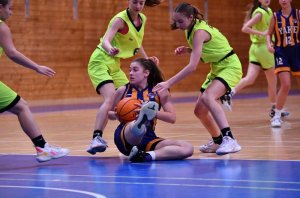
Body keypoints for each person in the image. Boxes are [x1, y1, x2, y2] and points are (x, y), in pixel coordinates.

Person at [153, 2, 243, 155]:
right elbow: (211, 48)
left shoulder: (199, 31)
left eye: (181, 21)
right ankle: (218, 141)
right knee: (200, 111)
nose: (178, 24)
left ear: (191, 17)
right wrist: (189, 50)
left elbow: (192, 67)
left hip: (230, 66)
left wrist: (168, 83)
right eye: (176, 21)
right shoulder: (192, 28)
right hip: (217, 67)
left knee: (209, 97)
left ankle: (230, 140)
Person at [87, 0, 161, 155]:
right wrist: (110, 49)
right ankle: (96, 138)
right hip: (100, 59)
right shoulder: (120, 20)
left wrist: (147, 61)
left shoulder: (143, 19)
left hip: (115, 64)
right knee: (110, 97)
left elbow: (138, 43)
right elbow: (107, 39)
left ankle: (131, 135)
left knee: (131, 95)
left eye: (141, 3)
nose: (138, 6)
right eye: (135, 2)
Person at [0, 0, 69, 162]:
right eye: (9, 8)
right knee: (21, 106)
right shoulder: (1, 27)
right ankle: (42, 148)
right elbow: (12, 53)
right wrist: (37, 67)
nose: (11, 13)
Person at [108, 58, 194, 162]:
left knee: (187, 148)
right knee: (137, 127)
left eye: (135, 70)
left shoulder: (160, 91)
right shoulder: (123, 90)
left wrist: (152, 113)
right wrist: (116, 115)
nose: (130, 73)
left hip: (148, 139)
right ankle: (138, 124)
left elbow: (172, 118)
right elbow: (109, 113)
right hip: (126, 136)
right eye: (130, 70)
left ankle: (144, 156)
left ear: (146, 73)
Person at [267, 0, 300, 127]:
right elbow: (269, 34)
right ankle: (276, 116)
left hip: (296, 51)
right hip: (281, 52)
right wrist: (268, 43)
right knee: (285, 84)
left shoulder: (297, 14)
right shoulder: (275, 16)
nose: (283, 0)